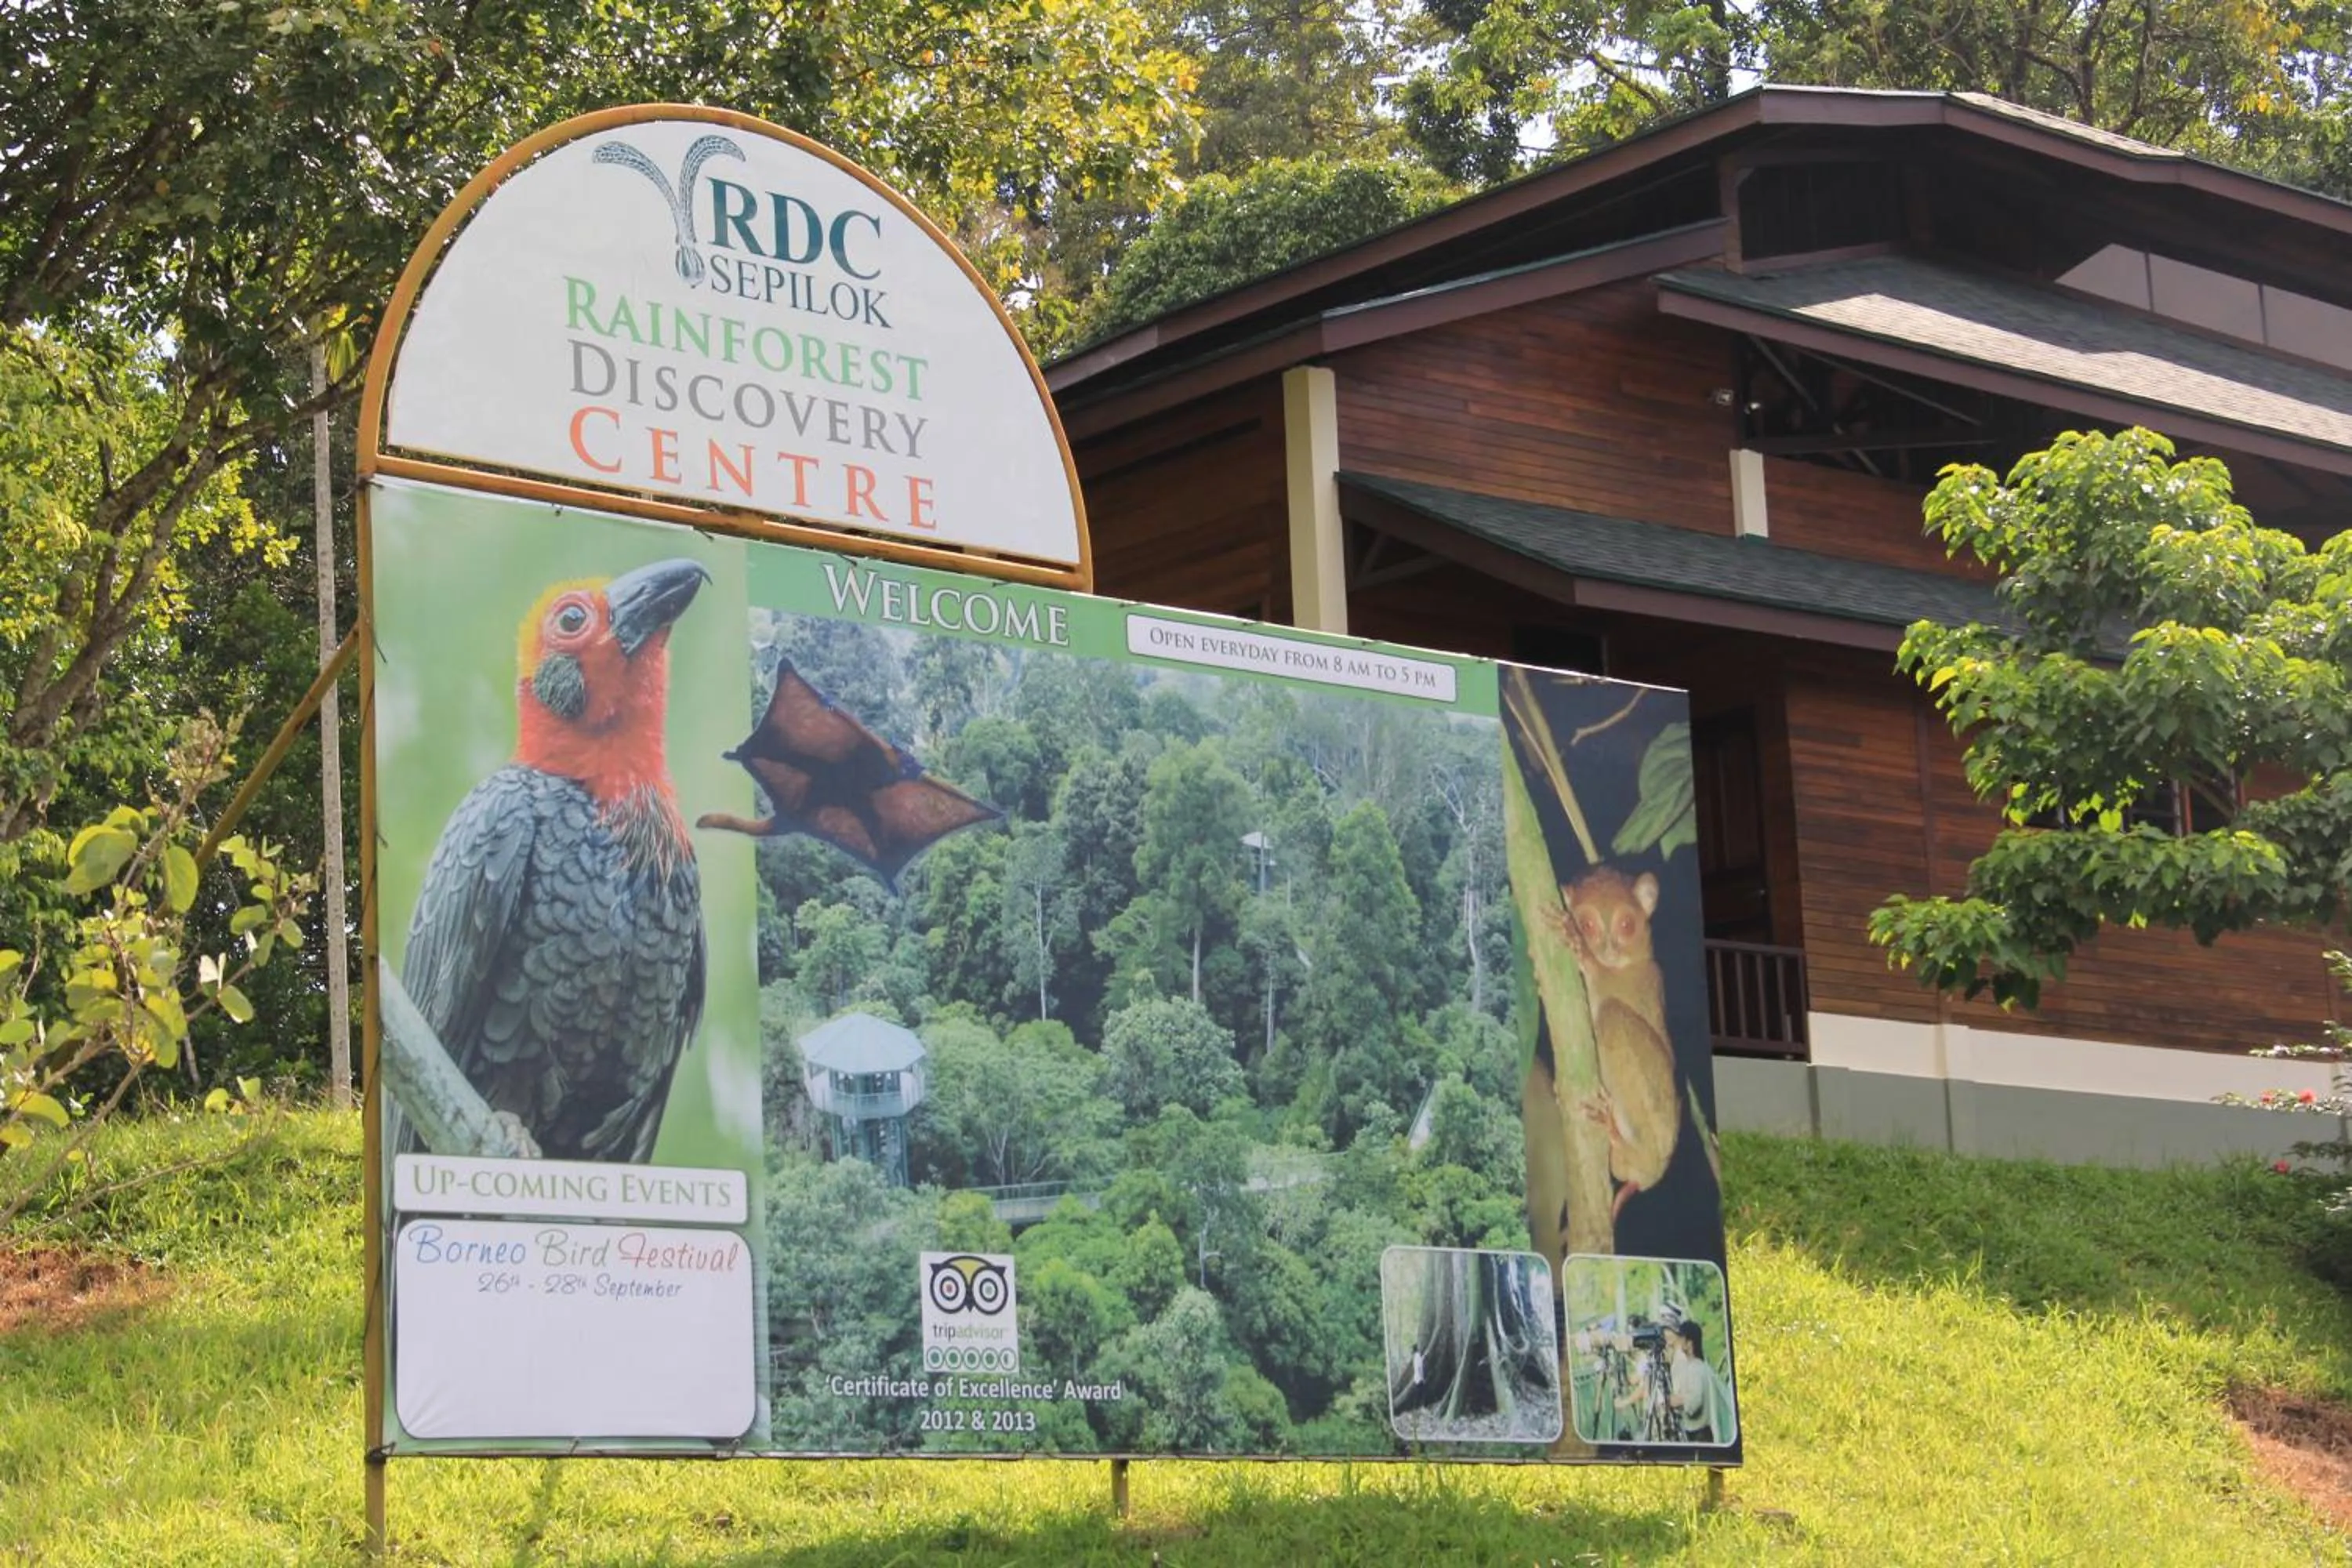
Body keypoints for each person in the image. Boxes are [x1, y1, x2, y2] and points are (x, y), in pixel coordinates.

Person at [1668, 1319, 1735, 1444]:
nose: (1679, 1340)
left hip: (1700, 1438)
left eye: (1682, 1337)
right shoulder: (1697, 1367)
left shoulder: (1696, 1369)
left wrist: (1676, 1401)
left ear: (1689, 1343)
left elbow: (1695, 1402)